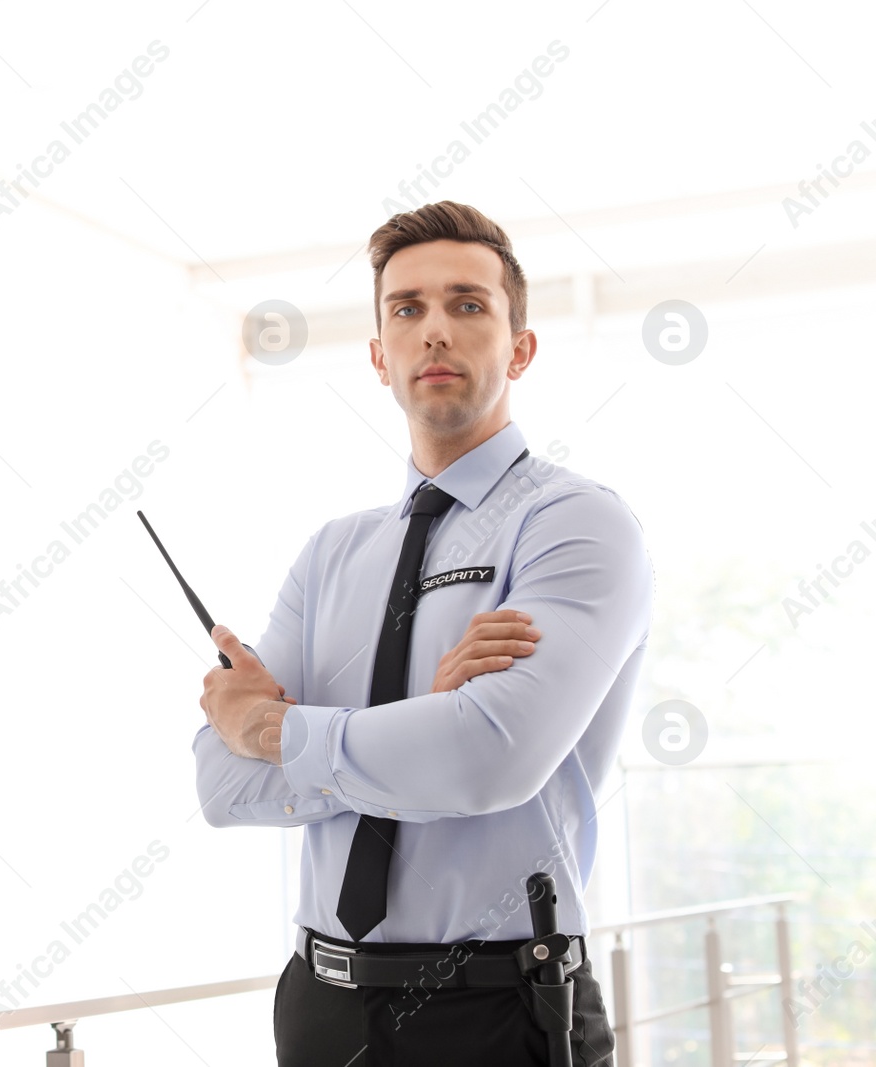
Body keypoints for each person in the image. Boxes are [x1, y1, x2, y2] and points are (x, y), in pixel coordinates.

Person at [195, 200, 652, 1066]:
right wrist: (415, 728)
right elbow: (221, 786)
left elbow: (487, 760)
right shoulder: (332, 552)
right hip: (317, 1002)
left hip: (500, 1005)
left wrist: (270, 730)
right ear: (378, 356)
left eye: (468, 304)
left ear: (520, 347)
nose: (434, 330)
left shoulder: (576, 523)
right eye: (406, 309)